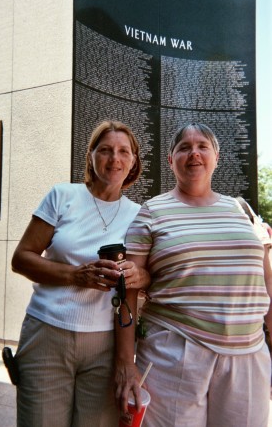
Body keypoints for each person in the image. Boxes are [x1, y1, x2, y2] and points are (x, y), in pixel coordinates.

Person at [115, 122, 272, 427]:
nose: (194, 153)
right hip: (174, 355)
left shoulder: (242, 211)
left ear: (216, 156)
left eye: (202, 146)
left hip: (249, 355)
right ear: (171, 160)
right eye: (184, 147)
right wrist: (125, 362)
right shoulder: (151, 212)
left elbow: (266, 281)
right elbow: (127, 291)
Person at [11, 120, 150, 427]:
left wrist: (142, 277)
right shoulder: (63, 196)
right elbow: (21, 258)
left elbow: (145, 274)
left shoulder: (140, 214)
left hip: (105, 344)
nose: (114, 159)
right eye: (105, 150)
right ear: (90, 156)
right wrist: (76, 275)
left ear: (133, 161)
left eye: (123, 152)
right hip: (47, 333)